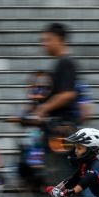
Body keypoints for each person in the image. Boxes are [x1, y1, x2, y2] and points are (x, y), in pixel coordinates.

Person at [34, 22, 79, 186]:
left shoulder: (65, 63)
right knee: (57, 171)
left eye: (47, 40)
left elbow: (68, 94)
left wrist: (44, 108)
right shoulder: (60, 64)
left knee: (60, 171)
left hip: (61, 129)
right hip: (58, 128)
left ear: (59, 40)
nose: (44, 44)